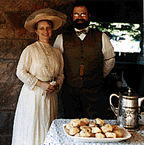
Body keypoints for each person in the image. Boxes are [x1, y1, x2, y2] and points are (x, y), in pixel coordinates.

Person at [12, 8, 65, 145]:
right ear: (36, 31)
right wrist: (41, 84)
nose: (45, 31)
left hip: (50, 96)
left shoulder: (57, 52)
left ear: (52, 30)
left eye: (48, 28)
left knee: (47, 126)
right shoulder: (30, 50)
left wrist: (56, 85)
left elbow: (61, 74)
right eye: (41, 28)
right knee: (33, 127)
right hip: (33, 96)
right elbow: (20, 72)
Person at [53, 2, 115, 119]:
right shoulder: (61, 38)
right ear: (72, 16)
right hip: (70, 92)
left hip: (95, 93)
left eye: (83, 14)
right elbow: (57, 63)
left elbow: (110, 60)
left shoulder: (101, 36)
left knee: (94, 127)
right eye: (76, 14)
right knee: (71, 125)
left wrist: (98, 76)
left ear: (89, 16)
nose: (80, 17)